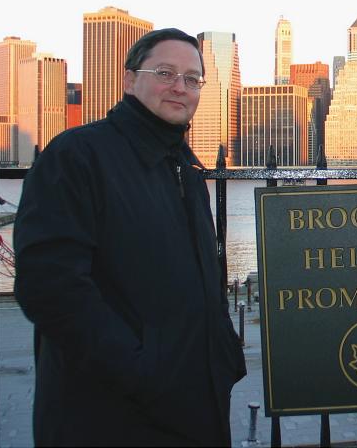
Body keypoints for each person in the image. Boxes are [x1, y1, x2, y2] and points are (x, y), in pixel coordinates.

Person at [14, 28, 246, 446]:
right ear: (128, 80)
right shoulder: (77, 156)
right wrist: (140, 373)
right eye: (165, 72)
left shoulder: (183, 169)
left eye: (192, 79)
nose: (180, 87)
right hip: (111, 416)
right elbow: (49, 287)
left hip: (195, 405)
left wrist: (222, 355)